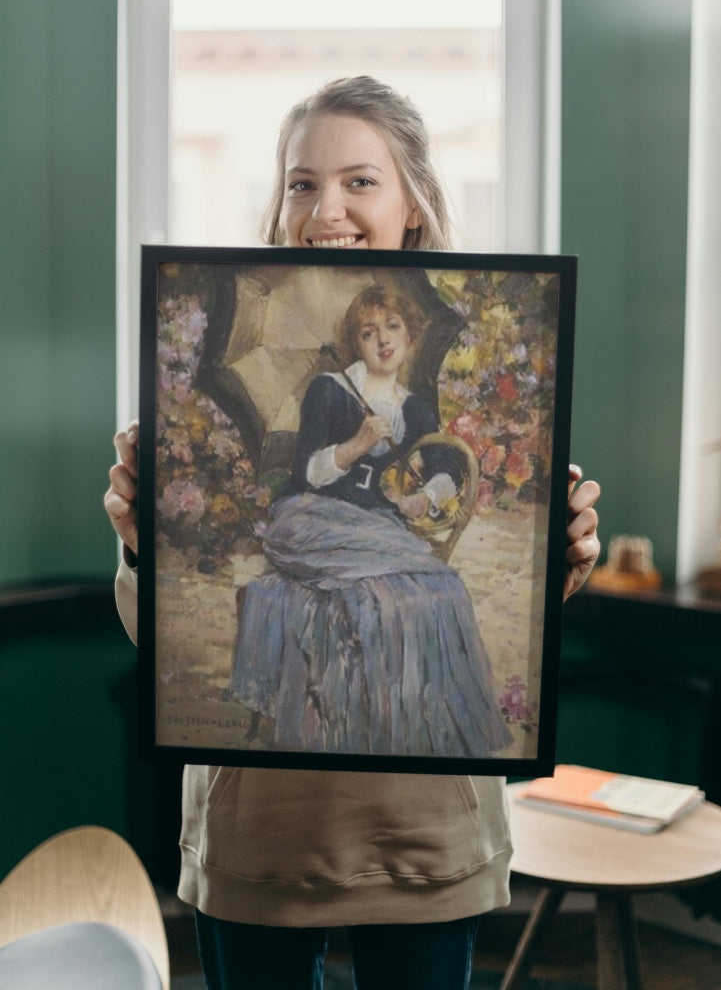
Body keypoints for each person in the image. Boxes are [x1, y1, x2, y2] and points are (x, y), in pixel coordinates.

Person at [105, 76, 601, 990]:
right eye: (301, 182)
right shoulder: (327, 388)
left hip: (422, 836)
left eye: (359, 181)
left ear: (412, 203)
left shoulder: (420, 392)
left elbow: (419, 489)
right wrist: (143, 548)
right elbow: (171, 618)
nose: (324, 207)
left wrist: (555, 567)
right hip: (262, 836)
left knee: (436, 589)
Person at [226, 282, 512, 758]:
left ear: (410, 335)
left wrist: (424, 497)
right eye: (368, 332)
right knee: (376, 590)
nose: (383, 340)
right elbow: (307, 474)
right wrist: (356, 445)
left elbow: (447, 468)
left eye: (393, 327)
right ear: (353, 345)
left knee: (441, 589)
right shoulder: (330, 390)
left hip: (376, 525)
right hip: (311, 516)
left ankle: (401, 726)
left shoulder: (414, 407)